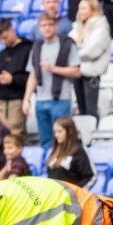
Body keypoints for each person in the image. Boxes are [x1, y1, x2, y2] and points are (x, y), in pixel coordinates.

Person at [23, 14, 81, 151]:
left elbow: (76, 71)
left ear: (56, 26)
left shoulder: (66, 44)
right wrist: (26, 99)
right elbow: (33, 75)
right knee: (46, 140)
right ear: (39, 28)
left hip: (61, 98)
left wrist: (53, 69)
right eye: (44, 25)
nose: (47, 28)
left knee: (63, 138)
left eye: (50, 25)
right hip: (41, 99)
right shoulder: (37, 47)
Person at [0, 19, 32, 139]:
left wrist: (12, 79)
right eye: (1, 39)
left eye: (5, 37)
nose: (3, 41)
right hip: (0, 100)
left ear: (12, 30)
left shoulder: (27, 49)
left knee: (15, 136)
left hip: (17, 100)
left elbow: (31, 77)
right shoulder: (3, 53)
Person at [70, 0, 111, 118]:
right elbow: (69, 44)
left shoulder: (101, 28)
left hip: (92, 74)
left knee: (91, 110)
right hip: (77, 72)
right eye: (79, 8)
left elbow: (91, 51)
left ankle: (92, 135)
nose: (80, 11)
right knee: (81, 110)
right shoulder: (77, 27)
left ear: (93, 10)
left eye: (83, 8)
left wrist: (74, 54)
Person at [45, 116, 95, 188]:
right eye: (55, 132)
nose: (56, 135)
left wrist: (77, 193)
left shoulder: (79, 151)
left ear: (69, 132)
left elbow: (91, 177)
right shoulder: (55, 150)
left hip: (71, 197)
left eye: (60, 131)